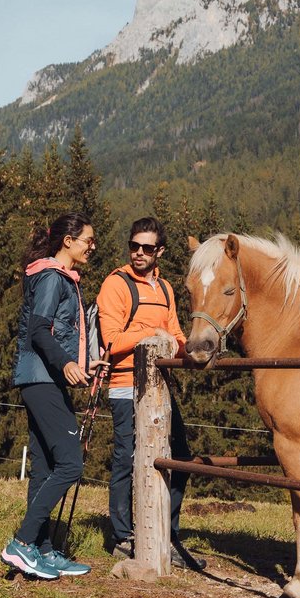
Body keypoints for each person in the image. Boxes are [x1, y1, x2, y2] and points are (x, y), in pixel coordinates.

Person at [97, 216, 206, 571]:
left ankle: (165, 534)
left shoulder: (165, 289)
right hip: (126, 385)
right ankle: (123, 537)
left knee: (181, 458)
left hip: (159, 389)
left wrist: (186, 348)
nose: (139, 253)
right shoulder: (116, 284)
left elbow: (174, 334)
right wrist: (150, 330)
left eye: (147, 248)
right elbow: (111, 341)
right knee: (127, 459)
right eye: (134, 246)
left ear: (159, 251)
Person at [2, 212, 106, 580]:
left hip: (45, 379)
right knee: (70, 465)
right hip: (42, 379)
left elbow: (56, 335)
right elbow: (39, 331)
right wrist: (64, 365)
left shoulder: (61, 279)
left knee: (45, 466)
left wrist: (83, 365)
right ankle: (23, 542)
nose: (92, 246)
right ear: (68, 241)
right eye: (87, 241)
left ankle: (43, 551)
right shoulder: (50, 276)